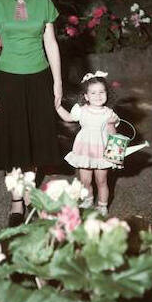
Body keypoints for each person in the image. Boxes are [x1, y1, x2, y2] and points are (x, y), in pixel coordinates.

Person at [0, 0, 62, 226]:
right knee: (14, 144)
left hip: (38, 77)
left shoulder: (44, 3)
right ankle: (17, 201)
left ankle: (29, 193)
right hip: (8, 80)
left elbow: (51, 43)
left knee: (35, 141)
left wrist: (58, 81)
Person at [56, 72, 119, 216]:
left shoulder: (109, 113)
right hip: (84, 149)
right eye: (93, 92)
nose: (98, 96)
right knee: (85, 180)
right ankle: (88, 199)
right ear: (86, 96)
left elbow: (114, 136)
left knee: (101, 180)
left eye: (101, 92)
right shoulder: (81, 110)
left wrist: (111, 124)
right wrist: (58, 107)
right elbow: (68, 117)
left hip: (101, 151)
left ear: (107, 94)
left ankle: (102, 205)